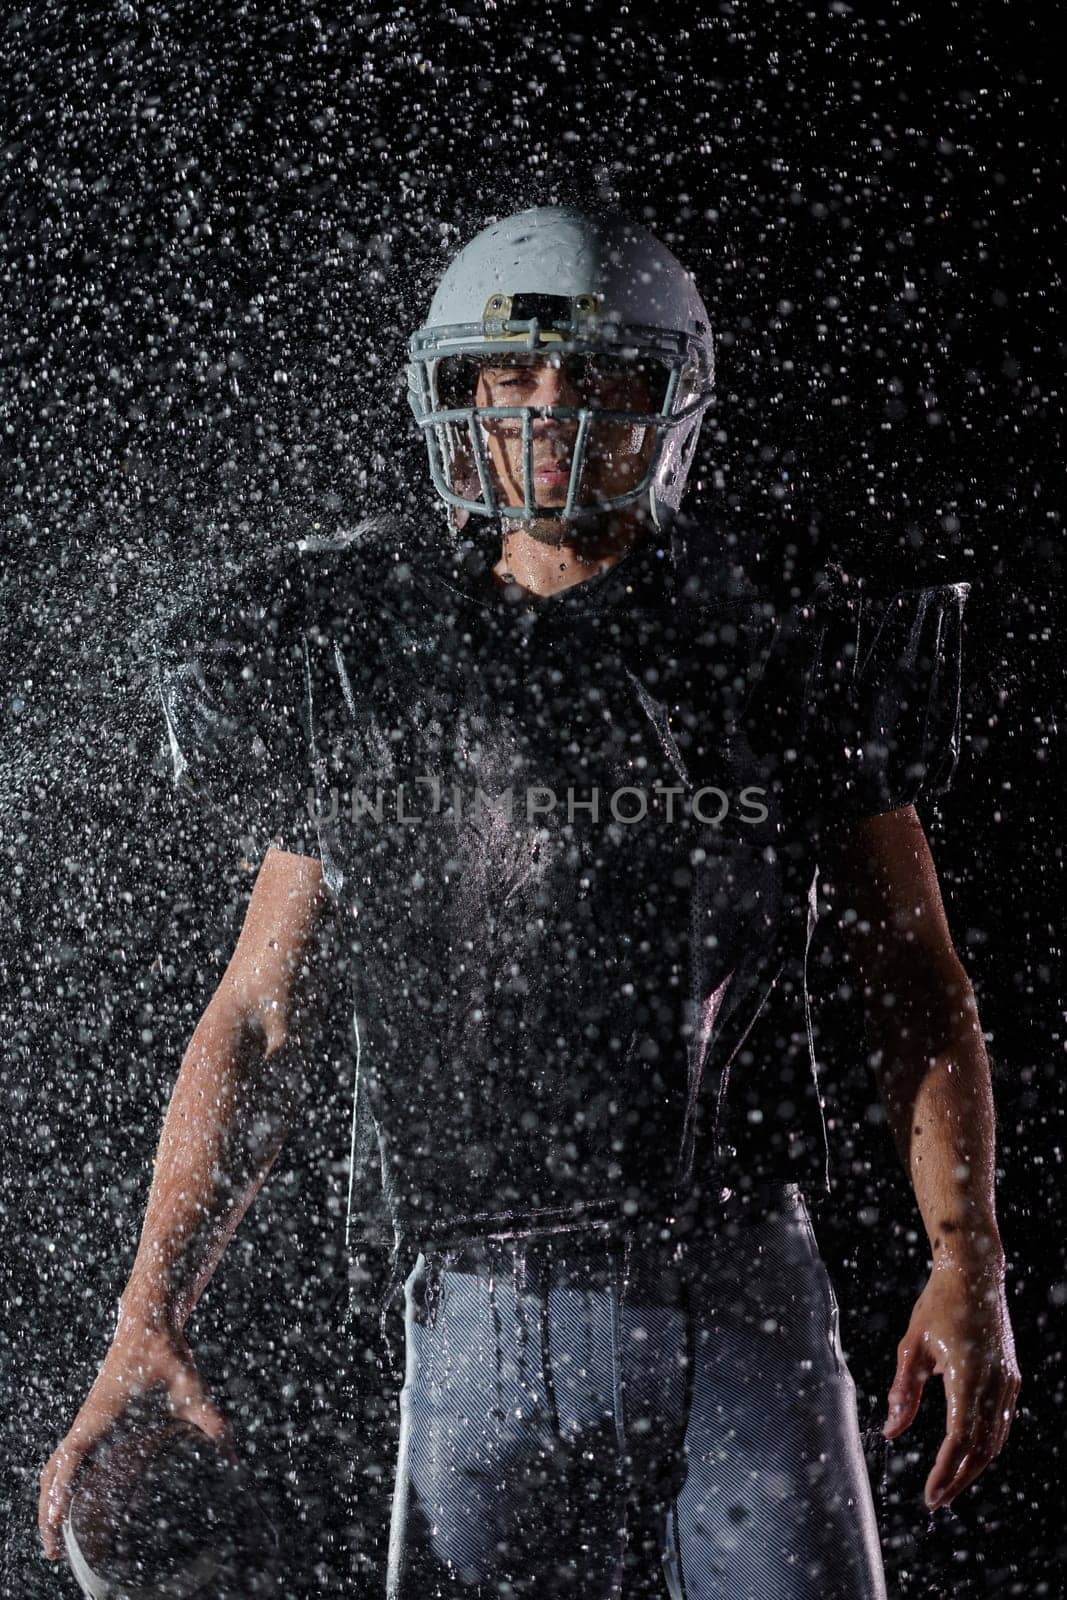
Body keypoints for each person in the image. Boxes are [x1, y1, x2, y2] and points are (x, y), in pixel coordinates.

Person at [39, 207, 1019, 1598]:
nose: (548, 410)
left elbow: (911, 971)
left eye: (599, 376)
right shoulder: (371, 651)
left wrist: (968, 1255)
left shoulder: (776, 631)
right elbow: (258, 1018)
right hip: (471, 1312)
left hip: (738, 1280)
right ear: (459, 390)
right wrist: (146, 1313)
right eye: (511, 375)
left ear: (668, 397)